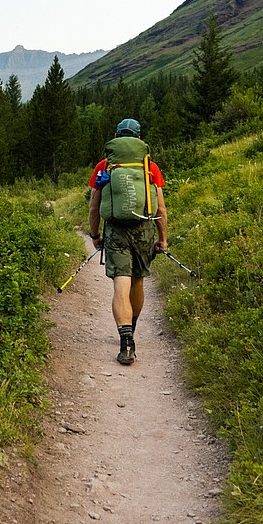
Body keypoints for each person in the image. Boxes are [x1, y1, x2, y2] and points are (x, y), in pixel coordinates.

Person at [88, 118, 168, 365]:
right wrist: (163, 239)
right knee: (138, 281)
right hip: (144, 229)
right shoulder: (149, 167)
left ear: (116, 136)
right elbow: (161, 209)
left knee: (120, 285)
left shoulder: (105, 166)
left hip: (116, 231)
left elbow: (94, 206)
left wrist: (95, 235)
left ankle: (126, 344)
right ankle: (131, 328)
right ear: (139, 139)